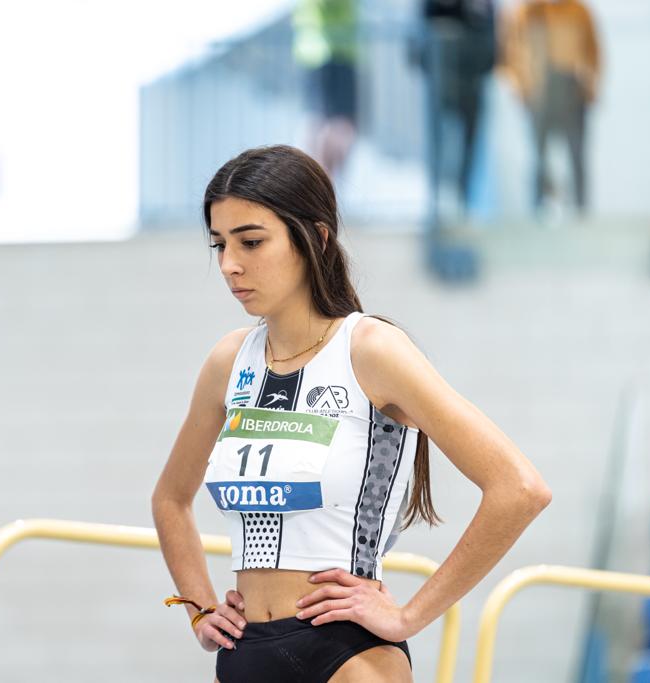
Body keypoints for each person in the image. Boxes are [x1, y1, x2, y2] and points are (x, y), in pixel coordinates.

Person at [151, 145, 551, 683]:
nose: (229, 264)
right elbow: (170, 500)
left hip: (345, 655)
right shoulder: (229, 361)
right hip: (245, 654)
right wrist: (199, 607)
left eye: (251, 241)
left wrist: (410, 615)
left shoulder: (371, 349)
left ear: (314, 237)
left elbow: (519, 489)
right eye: (219, 244)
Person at [500, 0, 601, 215]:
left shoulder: (578, 11)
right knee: (538, 158)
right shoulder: (526, 12)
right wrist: (520, 85)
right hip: (538, 90)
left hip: (572, 88)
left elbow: (594, 51)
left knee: (576, 155)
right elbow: (509, 53)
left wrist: (591, 84)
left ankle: (580, 211)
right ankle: (538, 210)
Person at [411, 0, 497, 228]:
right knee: (438, 142)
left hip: (471, 80)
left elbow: (490, 34)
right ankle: (436, 200)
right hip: (441, 80)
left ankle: (465, 200)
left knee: (470, 143)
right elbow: (420, 36)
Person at [293, 0, 359, 179]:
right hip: (324, 52)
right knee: (326, 126)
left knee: (336, 127)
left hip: (339, 52)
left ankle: (323, 191)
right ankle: (319, 191)